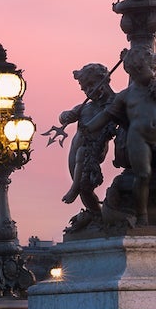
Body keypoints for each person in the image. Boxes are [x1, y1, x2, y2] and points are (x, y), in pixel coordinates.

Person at [88, 45, 156, 225]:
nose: (153, 72)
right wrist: (88, 126)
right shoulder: (125, 95)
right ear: (133, 71)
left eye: (154, 68)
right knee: (143, 175)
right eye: (148, 69)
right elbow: (107, 115)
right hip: (138, 137)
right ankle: (142, 215)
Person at [54, 63, 117, 219]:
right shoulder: (85, 107)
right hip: (75, 149)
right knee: (85, 190)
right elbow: (63, 116)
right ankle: (96, 215)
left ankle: (74, 188)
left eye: (91, 85)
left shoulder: (113, 103)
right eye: (85, 89)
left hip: (94, 149)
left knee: (82, 183)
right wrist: (65, 115)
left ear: (104, 80)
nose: (89, 91)